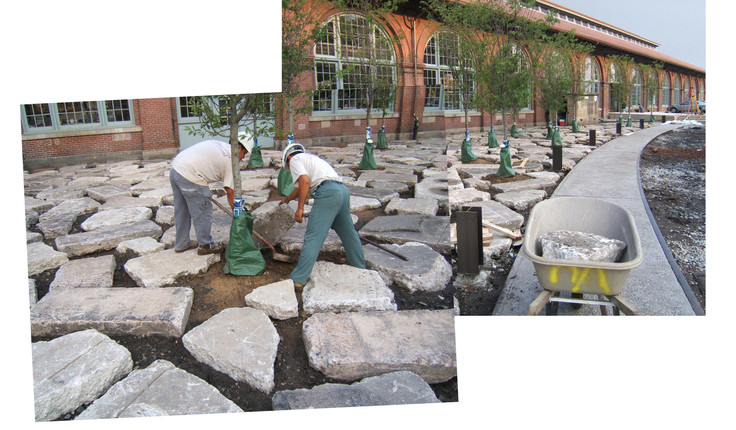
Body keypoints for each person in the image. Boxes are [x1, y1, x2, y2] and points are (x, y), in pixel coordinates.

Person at [279, 142, 365, 287]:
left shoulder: (294, 159)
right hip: (342, 191)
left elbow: (304, 181)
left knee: (313, 237)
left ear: (288, 157)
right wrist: (287, 199)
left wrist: (300, 208)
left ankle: (298, 279)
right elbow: (301, 186)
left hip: (328, 194)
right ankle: (359, 266)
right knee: (349, 233)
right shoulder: (312, 159)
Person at [169, 132, 253, 255]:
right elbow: (230, 192)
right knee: (203, 209)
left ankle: (181, 243)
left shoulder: (222, 145)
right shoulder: (231, 160)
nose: (243, 158)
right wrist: (238, 215)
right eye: (244, 153)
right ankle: (205, 245)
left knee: (182, 209)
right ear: (238, 147)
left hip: (176, 169)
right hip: (191, 175)